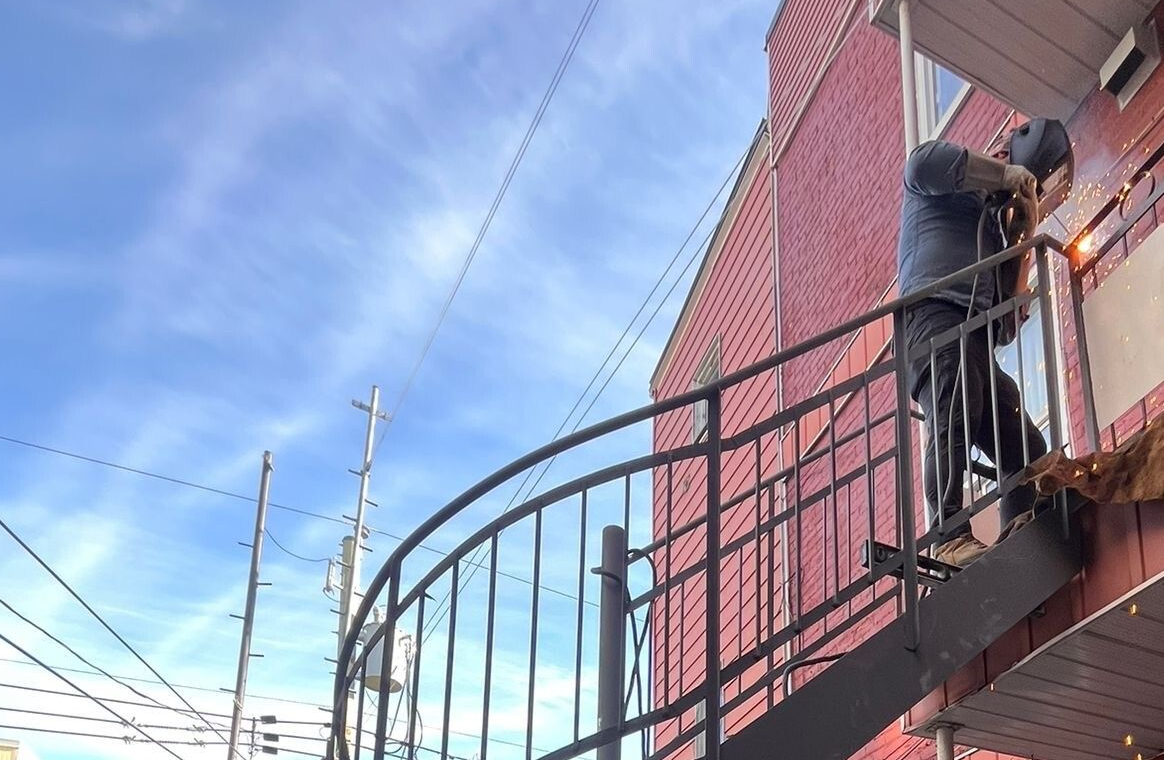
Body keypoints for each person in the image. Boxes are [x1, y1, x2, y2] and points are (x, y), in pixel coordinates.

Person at [896, 126, 1050, 567]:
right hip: (933, 315)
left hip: (975, 335)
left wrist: (1022, 234)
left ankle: (1025, 525)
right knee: (954, 410)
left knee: (1022, 442)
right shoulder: (930, 180)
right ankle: (948, 536)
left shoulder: (991, 236)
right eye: (1002, 158)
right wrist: (1005, 175)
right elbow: (929, 163)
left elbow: (1004, 325)